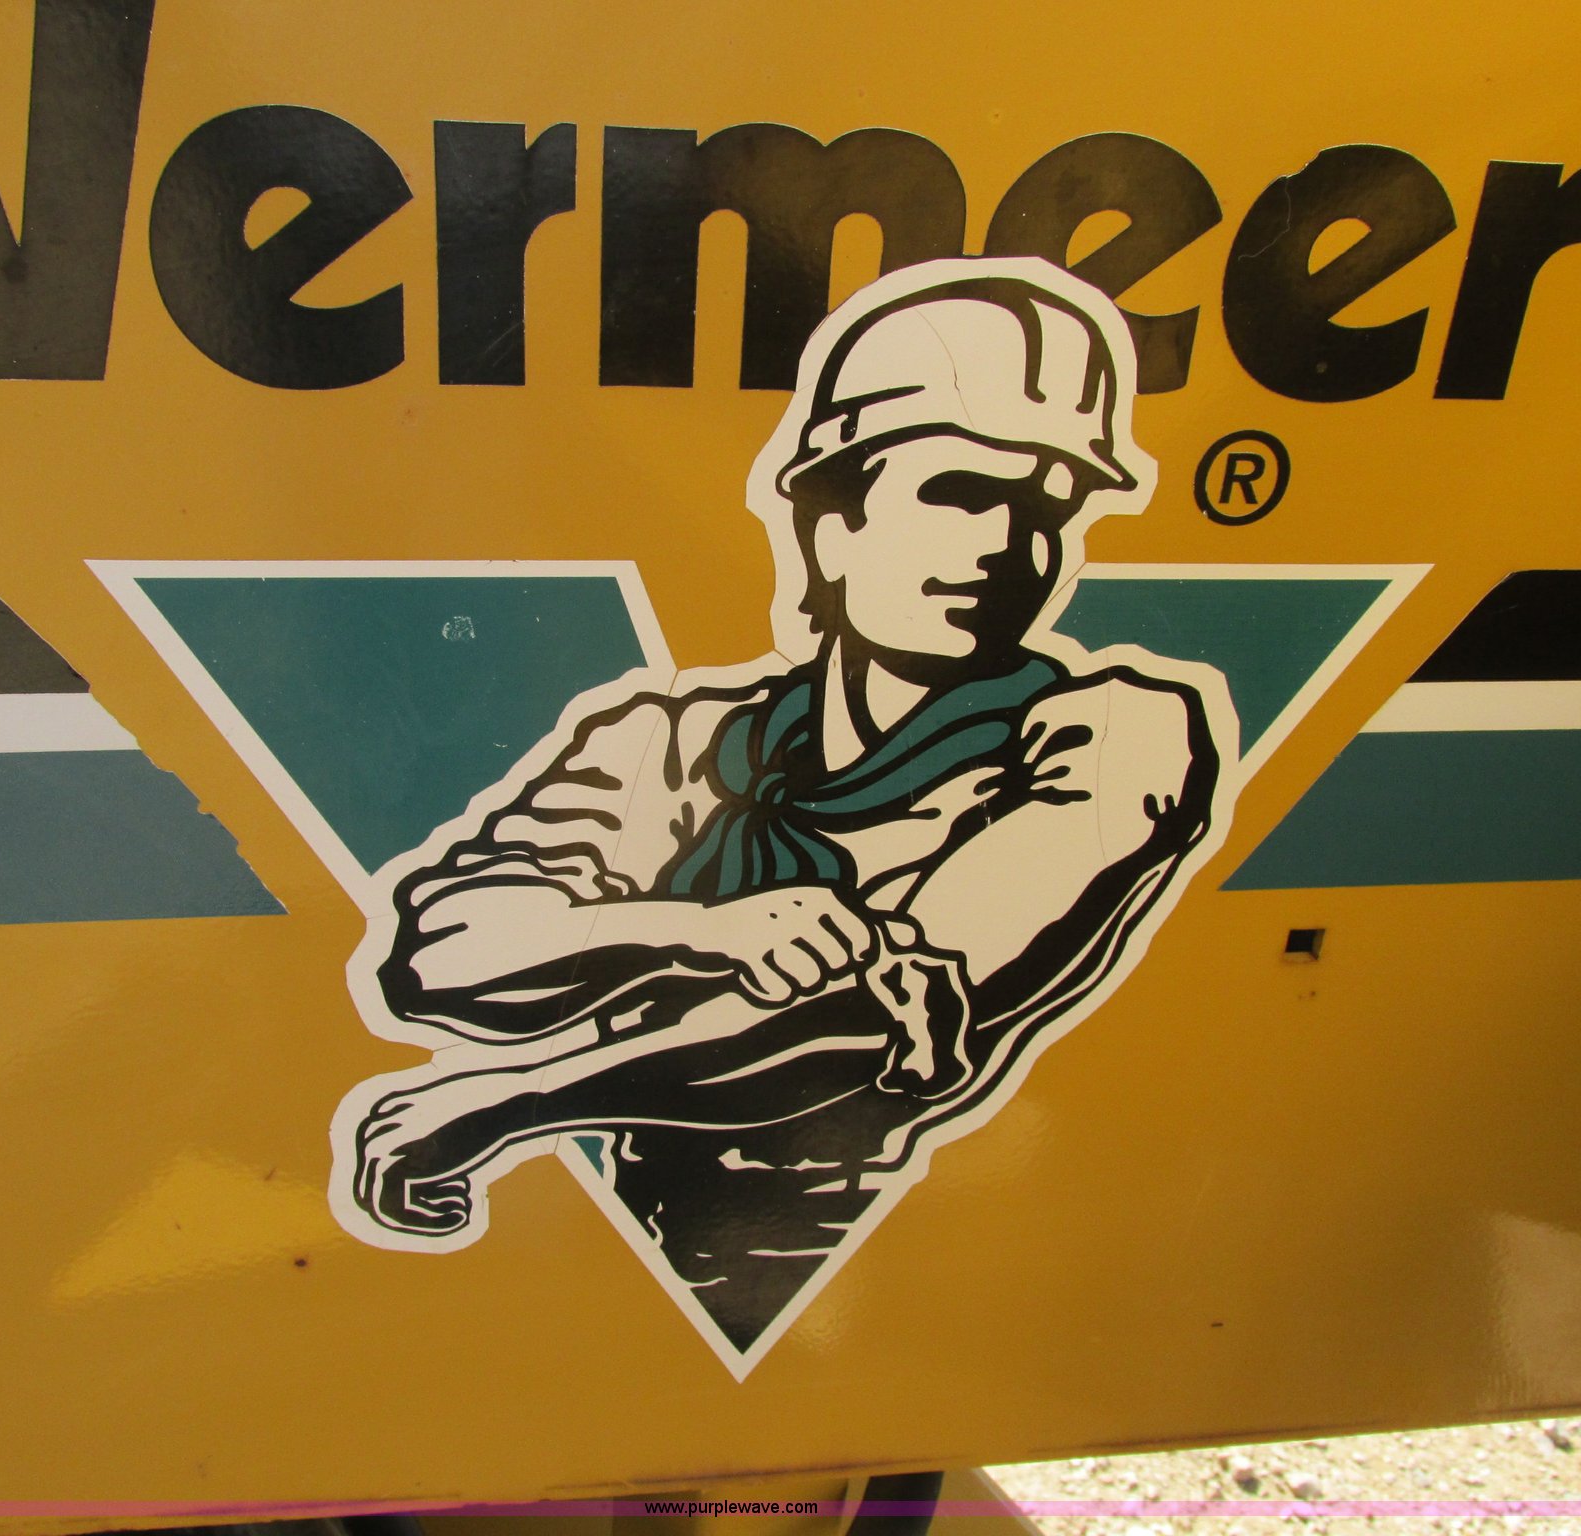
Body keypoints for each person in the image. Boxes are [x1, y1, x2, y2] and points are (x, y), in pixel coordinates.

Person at [329, 257, 1235, 1355]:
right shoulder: (673, 743)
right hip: (619, 1278)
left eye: (1044, 507)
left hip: (901, 1304)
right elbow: (439, 953)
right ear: (831, 527)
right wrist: (692, 930)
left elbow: (869, 1019)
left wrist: (505, 1105)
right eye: (957, 493)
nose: (1008, 547)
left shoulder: (1116, 734)